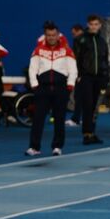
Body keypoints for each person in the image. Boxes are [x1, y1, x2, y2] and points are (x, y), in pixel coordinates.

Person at [26, 21, 77, 157]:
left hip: (61, 89)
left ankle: (57, 147)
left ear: (58, 35)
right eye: (48, 35)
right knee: (38, 119)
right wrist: (34, 85)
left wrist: (70, 85)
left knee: (59, 119)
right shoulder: (38, 50)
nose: (51, 37)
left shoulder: (66, 50)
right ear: (45, 36)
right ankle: (34, 147)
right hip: (42, 89)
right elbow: (32, 69)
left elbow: (73, 69)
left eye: (53, 35)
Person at [74, 14, 108, 144]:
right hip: (86, 77)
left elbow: (105, 60)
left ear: (100, 26)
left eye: (96, 24)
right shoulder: (80, 40)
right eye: (91, 24)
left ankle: (92, 133)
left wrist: (106, 77)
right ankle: (86, 134)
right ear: (88, 25)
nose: (94, 27)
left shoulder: (102, 41)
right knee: (87, 105)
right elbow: (76, 58)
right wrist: (78, 75)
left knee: (95, 106)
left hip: (99, 77)